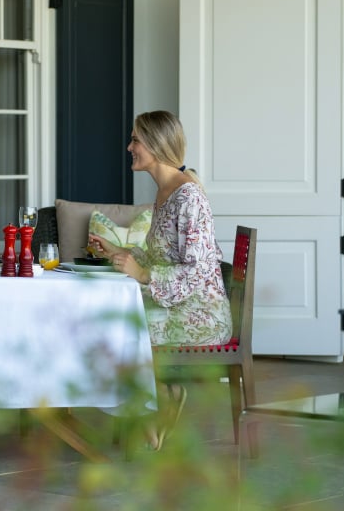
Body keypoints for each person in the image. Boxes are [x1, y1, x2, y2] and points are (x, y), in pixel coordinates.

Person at [88, 109, 232, 450]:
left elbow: (196, 271)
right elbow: (161, 259)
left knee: (118, 329)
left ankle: (155, 400)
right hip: (174, 305)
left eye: (136, 139)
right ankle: (158, 395)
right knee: (108, 323)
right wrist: (117, 252)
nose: (129, 147)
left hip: (201, 314)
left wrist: (140, 274)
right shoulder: (166, 193)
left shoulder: (189, 197)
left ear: (155, 144)